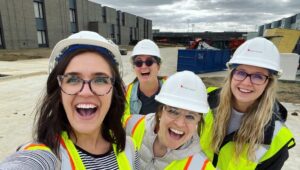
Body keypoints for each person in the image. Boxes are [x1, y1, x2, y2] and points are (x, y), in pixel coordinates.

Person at [0, 31, 139, 170]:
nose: (86, 92)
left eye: (100, 80)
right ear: (58, 91)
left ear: (113, 91)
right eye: (73, 79)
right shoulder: (45, 154)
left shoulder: (130, 149)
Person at [200, 37, 295, 170]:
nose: (246, 82)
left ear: (269, 83)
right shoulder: (203, 102)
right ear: (231, 75)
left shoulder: (275, 138)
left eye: (258, 76)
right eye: (241, 73)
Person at [123, 71, 215, 169]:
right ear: (160, 112)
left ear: (198, 121)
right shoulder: (131, 125)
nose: (180, 123)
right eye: (173, 111)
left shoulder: (199, 166)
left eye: (190, 117)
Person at [124, 39, 166, 116]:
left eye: (149, 62)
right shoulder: (125, 94)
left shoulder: (171, 89)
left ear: (158, 66)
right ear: (134, 67)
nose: (143, 67)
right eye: (138, 62)